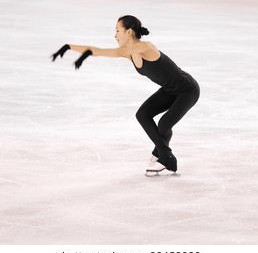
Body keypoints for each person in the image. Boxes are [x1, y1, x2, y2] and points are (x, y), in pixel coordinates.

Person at [51, 15, 200, 173]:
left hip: (187, 90)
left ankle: (167, 158)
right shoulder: (127, 52)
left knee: (164, 123)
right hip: (169, 89)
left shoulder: (147, 47)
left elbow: (119, 50)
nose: (115, 35)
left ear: (128, 32)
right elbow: (97, 51)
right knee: (143, 115)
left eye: (117, 30)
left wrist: (116, 51)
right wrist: (68, 47)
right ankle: (160, 152)